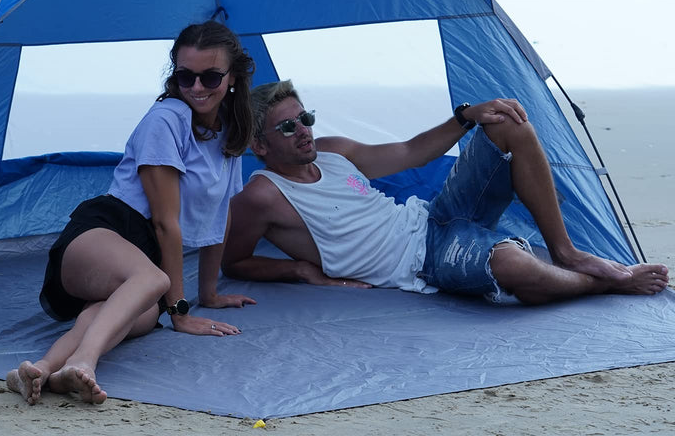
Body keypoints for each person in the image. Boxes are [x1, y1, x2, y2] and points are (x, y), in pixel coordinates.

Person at [222, 80, 669, 306]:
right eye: (287, 127)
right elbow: (234, 260)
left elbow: (412, 151)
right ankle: (605, 284)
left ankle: (567, 253)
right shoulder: (262, 195)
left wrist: (468, 115)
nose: (303, 132)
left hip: (433, 216)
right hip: (426, 258)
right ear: (259, 145)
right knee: (514, 266)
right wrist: (300, 270)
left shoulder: (334, 153)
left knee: (509, 125)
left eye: (306, 118)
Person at [7, 21, 257, 405]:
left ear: (233, 77)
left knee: (118, 317)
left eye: (210, 77)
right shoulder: (167, 119)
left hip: (145, 267)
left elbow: (218, 215)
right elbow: (164, 222)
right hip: (107, 231)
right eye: (186, 76)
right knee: (150, 282)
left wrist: (209, 292)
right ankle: (87, 364)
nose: (196, 88)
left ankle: (44, 369)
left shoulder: (230, 132)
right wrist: (180, 313)